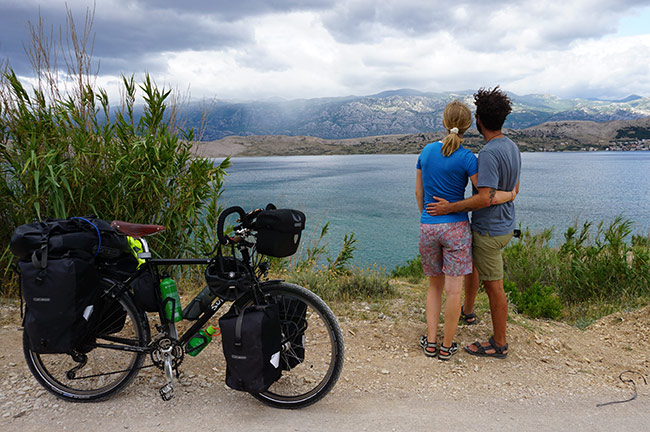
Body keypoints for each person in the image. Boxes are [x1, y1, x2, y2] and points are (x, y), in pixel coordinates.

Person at [415, 100, 515, 360]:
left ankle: (430, 343)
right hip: (457, 228)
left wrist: (427, 215)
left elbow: (419, 192)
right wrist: (509, 194)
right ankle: (447, 347)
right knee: (454, 291)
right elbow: (484, 194)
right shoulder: (468, 158)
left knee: (433, 288)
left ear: (444, 122)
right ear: (469, 125)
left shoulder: (425, 152)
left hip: (429, 224)